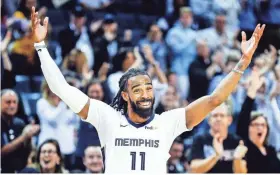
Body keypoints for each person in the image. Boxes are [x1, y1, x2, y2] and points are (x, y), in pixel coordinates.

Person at [31, 6, 265, 173]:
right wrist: (40, 46)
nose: (145, 94)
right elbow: (60, 88)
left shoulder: (167, 122)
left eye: (149, 88)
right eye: (138, 89)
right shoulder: (107, 117)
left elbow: (215, 100)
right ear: (125, 95)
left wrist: (242, 64)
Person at [188, 103, 247, 173]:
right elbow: (194, 170)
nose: (218, 119)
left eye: (222, 116)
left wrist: (237, 159)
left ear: (229, 120)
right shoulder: (199, 139)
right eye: (215, 115)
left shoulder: (237, 142)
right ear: (209, 120)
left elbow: (242, 173)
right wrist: (216, 156)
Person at [1, 89, 40, 173]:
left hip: (19, 169)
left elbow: (27, 150)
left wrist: (30, 137)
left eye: (15, 102)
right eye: (8, 102)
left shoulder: (19, 123)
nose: (12, 105)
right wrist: (24, 137)